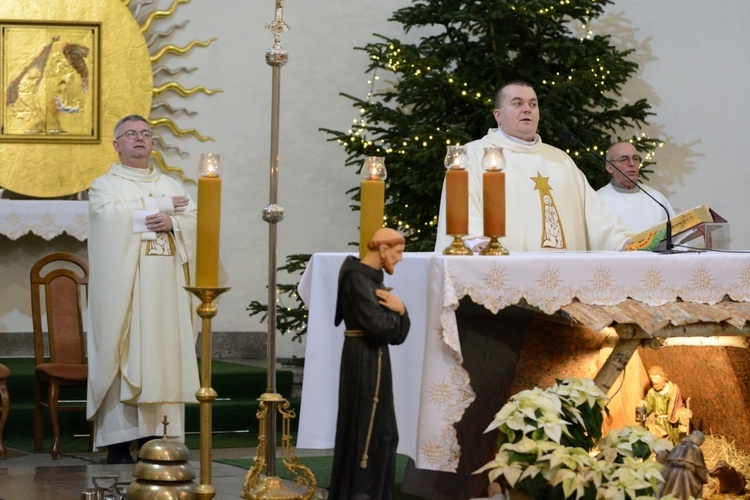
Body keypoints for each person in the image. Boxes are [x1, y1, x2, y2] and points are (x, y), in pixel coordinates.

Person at [86, 114, 199, 464]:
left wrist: (174, 223)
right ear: (116, 144)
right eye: (130, 134)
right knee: (125, 348)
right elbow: (107, 220)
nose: (139, 139)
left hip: (166, 292)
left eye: (146, 134)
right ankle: (119, 443)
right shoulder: (105, 186)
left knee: (162, 352)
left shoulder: (174, 185)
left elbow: (196, 221)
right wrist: (161, 208)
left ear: (152, 143)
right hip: (129, 291)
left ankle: (158, 437)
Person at [435, 80, 632, 253]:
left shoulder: (560, 160)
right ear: (498, 115)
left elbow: (596, 213)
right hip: (505, 276)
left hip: (566, 277)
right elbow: (460, 211)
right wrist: (475, 241)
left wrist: (622, 242)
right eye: (517, 103)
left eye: (533, 104)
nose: (527, 109)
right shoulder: (474, 155)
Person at [328, 227, 411, 499]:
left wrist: (400, 312)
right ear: (382, 249)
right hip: (362, 359)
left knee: (384, 433)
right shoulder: (357, 279)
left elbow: (395, 335)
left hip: (373, 358)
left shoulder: (370, 278)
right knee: (367, 431)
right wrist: (399, 312)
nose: (399, 259)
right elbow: (380, 329)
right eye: (398, 252)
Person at [596, 141, 676, 234]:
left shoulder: (656, 198)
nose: (632, 164)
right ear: (609, 167)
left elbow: (674, 237)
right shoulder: (599, 200)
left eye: (635, 158)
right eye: (624, 159)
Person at [643, 365, 692, 445]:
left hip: (672, 424)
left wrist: (684, 413)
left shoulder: (674, 390)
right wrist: (643, 408)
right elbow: (648, 408)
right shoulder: (652, 392)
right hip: (658, 424)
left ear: (662, 376)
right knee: (660, 445)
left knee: (673, 445)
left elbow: (679, 406)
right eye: (651, 379)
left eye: (655, 378)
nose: (654, 381)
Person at [658, 430, 708, 499]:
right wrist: (705, 477)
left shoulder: (677, 446)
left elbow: (668, 463)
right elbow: (700, 470)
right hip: (687, 478)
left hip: (671, 475)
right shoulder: (696, 449)